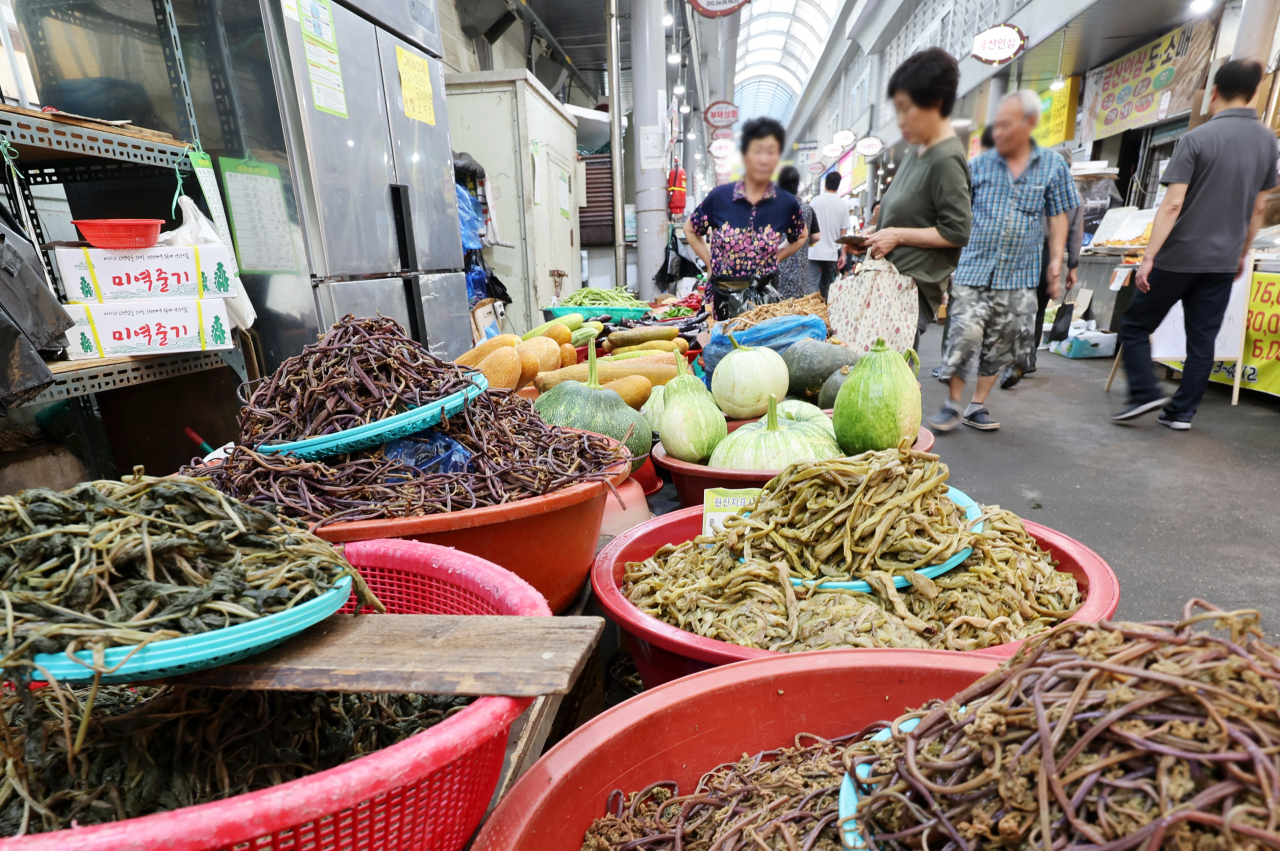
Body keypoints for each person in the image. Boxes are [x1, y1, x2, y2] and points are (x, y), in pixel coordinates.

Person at [1113, 59, 1277, 429]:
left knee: (1136, 325)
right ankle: (1182, 413)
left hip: (1179, 256)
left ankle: (1144, 392)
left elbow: (1172, 204)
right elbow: (1259, 209)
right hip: (1222, 261)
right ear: (1254, 94)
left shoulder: (1197, 138)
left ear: (1214, 92)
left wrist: (1148, 256)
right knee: (1202, 340)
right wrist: (1241, 251)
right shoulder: (1267, 142)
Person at [928, 90, 1079, 432]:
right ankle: (952, 404)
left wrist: (1057, 261)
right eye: (998, 124)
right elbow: (956, 216)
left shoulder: (1052, 166)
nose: (1000, 131)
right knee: (963, 336)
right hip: (973, 268)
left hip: (1020, 274)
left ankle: (976, 406)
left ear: (1029, 124)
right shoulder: (977, 165)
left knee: (1002, 342)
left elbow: (1059, 217)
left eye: (1007, 124)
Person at [863, 48, 972, 352]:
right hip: (885, 287)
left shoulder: (947, 157)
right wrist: (872, 236)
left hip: (908, 292)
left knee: (889, 388)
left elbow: (957, 231)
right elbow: (908, 216)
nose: (900, 119)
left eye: (907, 107)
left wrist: (896, 235)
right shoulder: (917, 151)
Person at [685, 117, 808, 315]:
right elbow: (691, 229)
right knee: (721, 345)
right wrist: (710, 263)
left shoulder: (786, 203)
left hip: (763, 301)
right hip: (721, 298)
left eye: (771, 152)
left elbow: (801, 236)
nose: (764, 159)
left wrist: (776, 257)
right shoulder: (719, 197)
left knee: (761, 346)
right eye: (757, 150)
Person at [1003, 149, 1084, 388]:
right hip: (1052, 256)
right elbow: (1076, 234)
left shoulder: (1036, 189)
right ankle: (1030, 358)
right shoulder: (1075, 197)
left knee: (1018, 308)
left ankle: (1014, 359)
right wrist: (1073, 267)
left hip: (1028, 252)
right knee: (1037, 311)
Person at [775, 165, 819, 299]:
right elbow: (816, 236)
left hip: (777, 263)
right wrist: (806, 243)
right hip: (799, 267)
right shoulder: (806, 209)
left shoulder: (775, 207)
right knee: (795, 307)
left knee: (775, 304)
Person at [809, 171, 850, 298]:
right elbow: (843, 233)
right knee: (826, 288)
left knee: (810, 287)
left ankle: (810, 314)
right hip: (831, 254)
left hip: (813, 251)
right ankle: (824, 314)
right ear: (838, 186)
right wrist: (843, 255)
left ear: (825, 185)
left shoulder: (814, 202)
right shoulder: (843, 205)